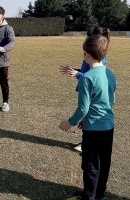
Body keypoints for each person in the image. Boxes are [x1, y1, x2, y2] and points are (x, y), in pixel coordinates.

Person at [59, 35, 116, 200]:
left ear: (86, 54)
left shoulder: (87, 78)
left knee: (91, 166)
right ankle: (98, 195)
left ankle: (89, 197)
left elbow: (83, 108)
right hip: (108, 126)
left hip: (94, 130)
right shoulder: (110, 73)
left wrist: (68, 123)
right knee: (103, 164)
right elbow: (104, 100)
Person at [59, 26, 111, 152]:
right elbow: (86, 72)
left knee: (88, 115)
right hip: (89, 91)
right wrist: (75, 71)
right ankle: (86, 142)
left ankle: (86, 144)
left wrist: (78, 75)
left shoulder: (100, 59)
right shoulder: (93, 55)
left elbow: (93, 77)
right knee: (86, 117)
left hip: (91, 93)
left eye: (88, 37)